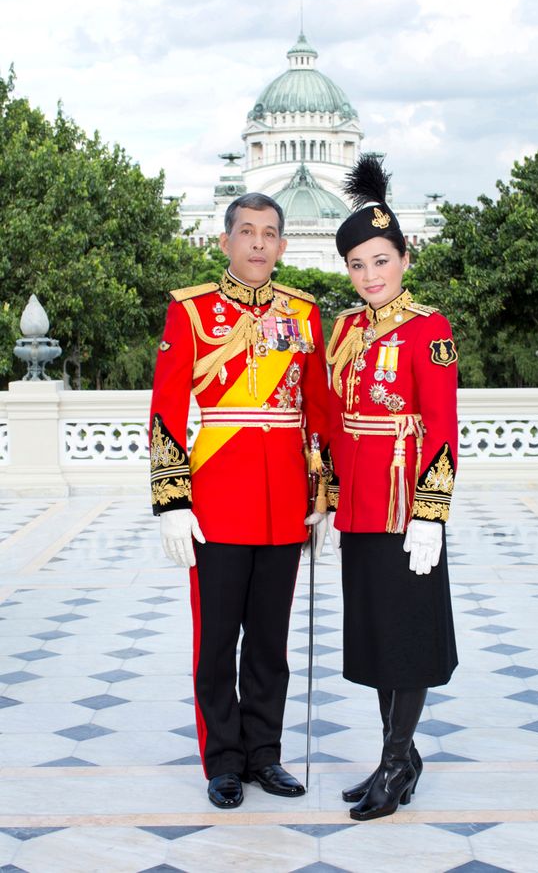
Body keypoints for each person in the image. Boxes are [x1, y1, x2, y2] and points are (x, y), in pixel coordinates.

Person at [149, 193, 329, 809]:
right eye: (246, 231)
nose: (258, 243)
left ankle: (264, 756)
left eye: (269, 233)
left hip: (284, 503)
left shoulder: (303, 314)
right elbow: (168, 408)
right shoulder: (193, 311)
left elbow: (320, 411)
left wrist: (323, 494)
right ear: (225, 241)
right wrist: (173, 500)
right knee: (217, 639)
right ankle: (222, 761)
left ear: (282, 245)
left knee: (269, 643)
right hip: (218, 500)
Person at [326, 155, 458, 822]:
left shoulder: (429, 329)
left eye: (381, 260)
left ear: (404, 258)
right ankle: (397, 758)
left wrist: (431, 514)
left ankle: (395, 760)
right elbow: (330, 418)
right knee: (378, 638)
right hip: (358, 510)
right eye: (358, 265)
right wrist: (325, 496)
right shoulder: (346, 330)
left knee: (407, 638)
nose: (371, 276)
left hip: (408, 509)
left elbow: (442, 427)